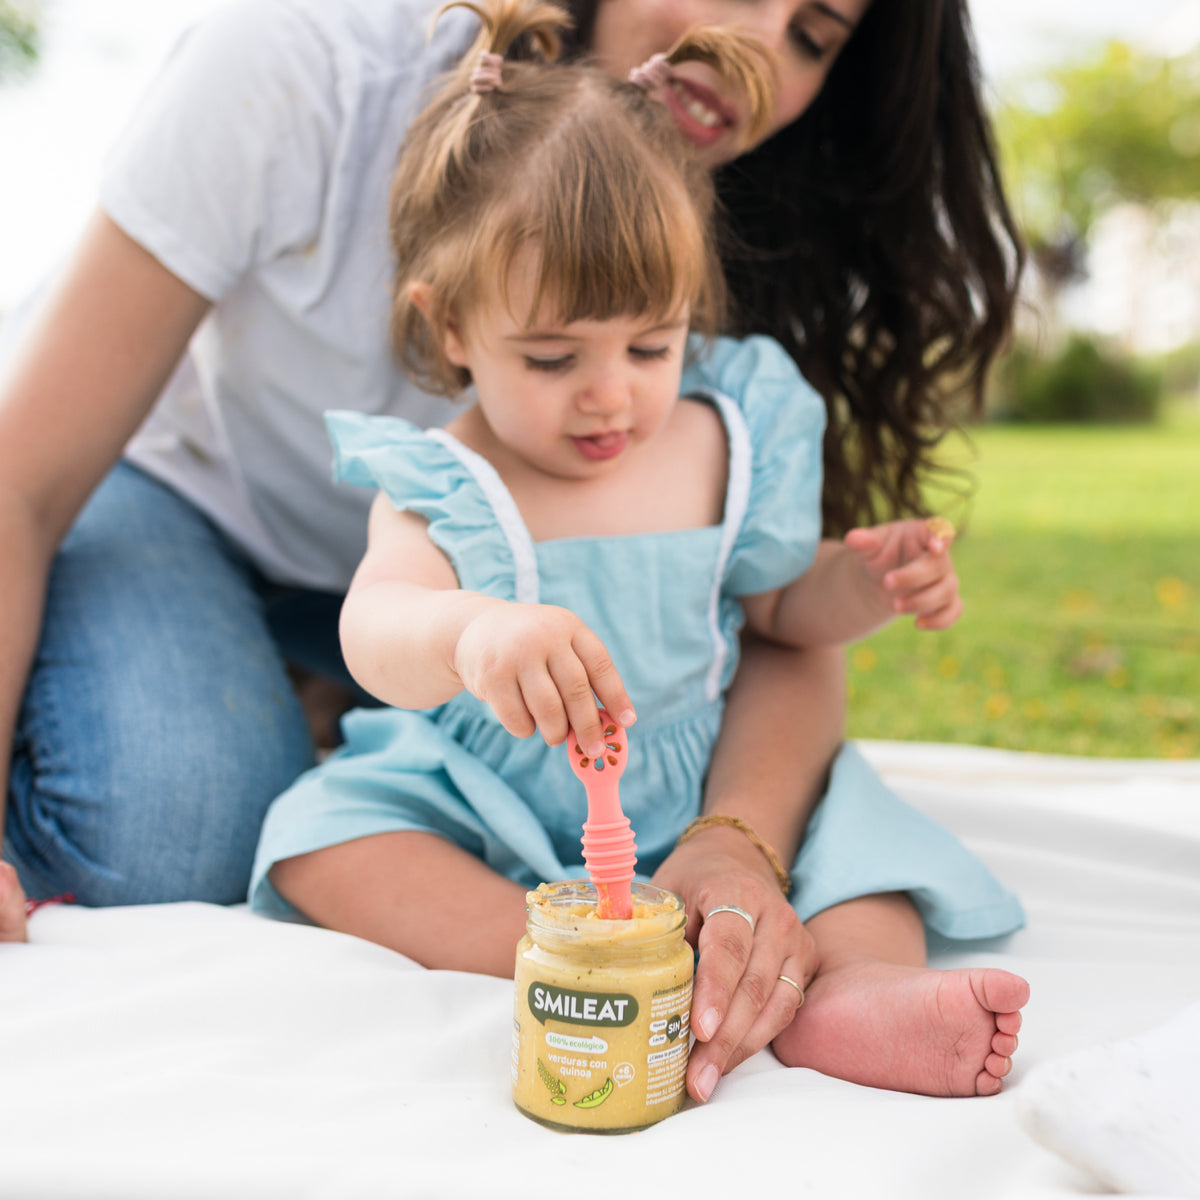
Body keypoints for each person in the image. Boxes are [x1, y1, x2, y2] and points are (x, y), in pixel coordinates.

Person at [0, 0, 1023, 1098]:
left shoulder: (722, 415)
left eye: (817, 34)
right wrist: (472, 629)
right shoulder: (445, 467)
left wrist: (858, 588)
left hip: (661, 774)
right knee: (267, 838)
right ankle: (561, 963)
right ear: (451, 330)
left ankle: (847, 996)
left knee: (855, 856)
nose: (610, 393)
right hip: (209, 527)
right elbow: (367, 616)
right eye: (550, 356)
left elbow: (773, 609)